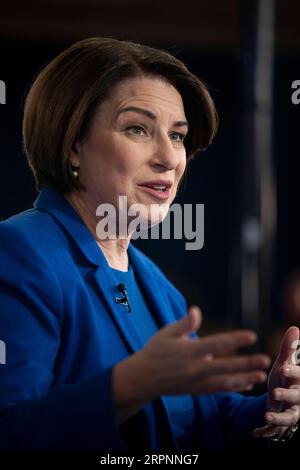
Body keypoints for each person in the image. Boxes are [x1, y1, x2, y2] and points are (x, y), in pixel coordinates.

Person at [0, 37, 299, 452]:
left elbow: (198, 420)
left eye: (177, 136)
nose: (169, 158)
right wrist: (129, 385)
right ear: (73, 144)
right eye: (138, 129)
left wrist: (274, 409)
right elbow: (9, 430)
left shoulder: (156, 286)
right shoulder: (18, 252)